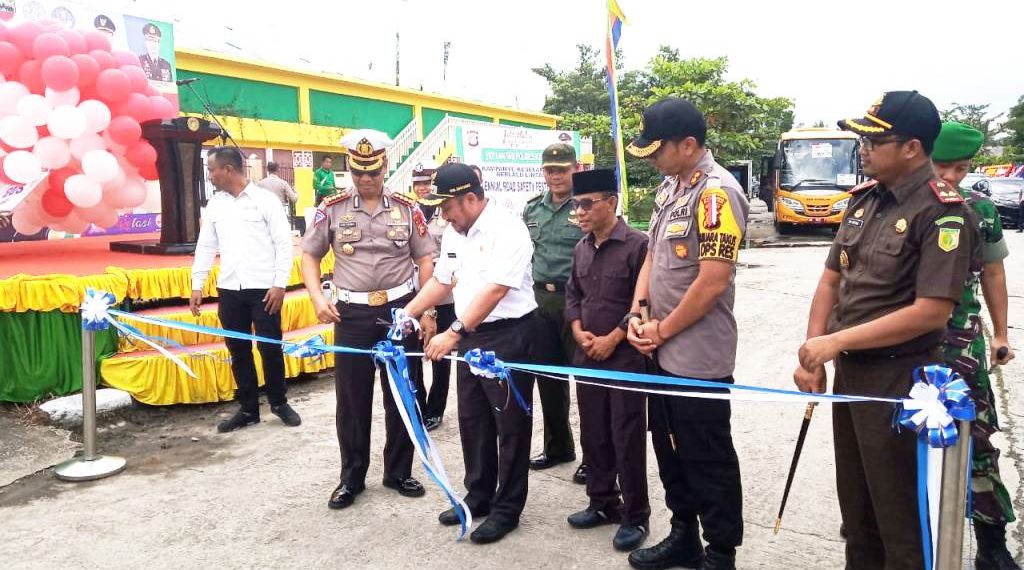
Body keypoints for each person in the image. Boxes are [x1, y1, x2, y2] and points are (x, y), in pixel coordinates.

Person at [793, 91, 976, 570]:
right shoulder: (864, 202)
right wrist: (813, 354)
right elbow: (832, 278)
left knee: (899, 517)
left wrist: (835, 341)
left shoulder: (943, 211)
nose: (864, 147)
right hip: (852, 378)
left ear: (912, 148)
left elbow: (931, 311)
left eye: (875, 138)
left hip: (901, 383)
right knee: (857, 510)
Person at [624, 97, 749, 570]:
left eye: (658, 150)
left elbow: (713, 280)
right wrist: (638, 313)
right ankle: (684, 535)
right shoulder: (670, 189)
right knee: (669, 448)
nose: (652, 159)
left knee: (707, 455)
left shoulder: (715, 194)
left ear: (689, 144)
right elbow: (654, 256)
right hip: (661, 349)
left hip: (697, 356)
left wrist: (661, 330)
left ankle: (720, 552)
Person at [402, 162, 538, 545]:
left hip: (509, 335)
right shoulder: (454, 233)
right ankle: (478, 495)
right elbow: (442, 281)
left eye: (447, 207)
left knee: (509, 425)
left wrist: (452, 332)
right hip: (473, 337)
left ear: (472, 198)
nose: (442, 215)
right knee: (474, 420)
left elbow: (496, 290)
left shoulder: (508, 229)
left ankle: (507, 508)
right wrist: (407, 313)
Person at [300, 129, 436, 510]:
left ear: (385, 167)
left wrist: (425, 311)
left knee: (402, 393)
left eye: (372, 172)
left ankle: (399, 471)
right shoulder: (333, 208)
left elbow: (425, 258)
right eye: (358, 172)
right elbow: (310, 254)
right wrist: (316, 296)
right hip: (352, 314)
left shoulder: (409, 209)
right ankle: (351, 477)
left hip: (399, 312)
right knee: (352, 399)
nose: (365, 179)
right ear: (349, 169)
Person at [932, 121, 1018, 570]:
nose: (950, 176)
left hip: (961, 346)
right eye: (942, 165)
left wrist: (1001, 334)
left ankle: (991, 542)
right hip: (907, 346)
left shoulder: (980, 209)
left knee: (978, 441)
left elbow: (994, 274)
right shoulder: (903, 204)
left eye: (960, 168)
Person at [563, 169, 651, 552]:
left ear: (611, 203)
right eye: (575, 205)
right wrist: (579, 332)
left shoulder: (638, 246)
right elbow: (573, 296)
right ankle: (602, 502)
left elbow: (644, 303)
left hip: (625, 358)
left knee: (626, 435)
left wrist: (614, 338)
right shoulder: (582, 247)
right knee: (593, 432)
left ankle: (636, 515)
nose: (580, 212)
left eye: (587, 204)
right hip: (588, 356)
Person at [190, 146, 301, 433]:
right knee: (238, 350)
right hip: (230, 289)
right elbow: (205, 246)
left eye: (212, 169)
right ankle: (248, 409)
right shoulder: (215, 205)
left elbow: (282, 244)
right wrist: (197, 284)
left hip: (264, 289)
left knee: (270, 348)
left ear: (227, 170)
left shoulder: (265, 201)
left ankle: (279, 403)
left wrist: (280, 284)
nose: (210, 175)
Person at [522, 142, 586, 483]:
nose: (556, 176)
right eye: (550, 169)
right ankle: (559, 446)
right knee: (548, 379)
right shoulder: (533, 210)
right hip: (541, 301)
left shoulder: (588, 204)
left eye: (562, 169)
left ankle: (595, 456)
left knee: (588, 382)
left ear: (575, 169)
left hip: (579, 300)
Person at [407, 161, 454, 431]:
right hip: (413, 293)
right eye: (418, 184)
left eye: (426, 184)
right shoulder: (408, 211)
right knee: (413, 353)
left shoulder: (443, 212)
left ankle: (436, 409)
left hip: (443, 293)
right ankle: (419, 405)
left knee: (440, 355)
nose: (422, 188)